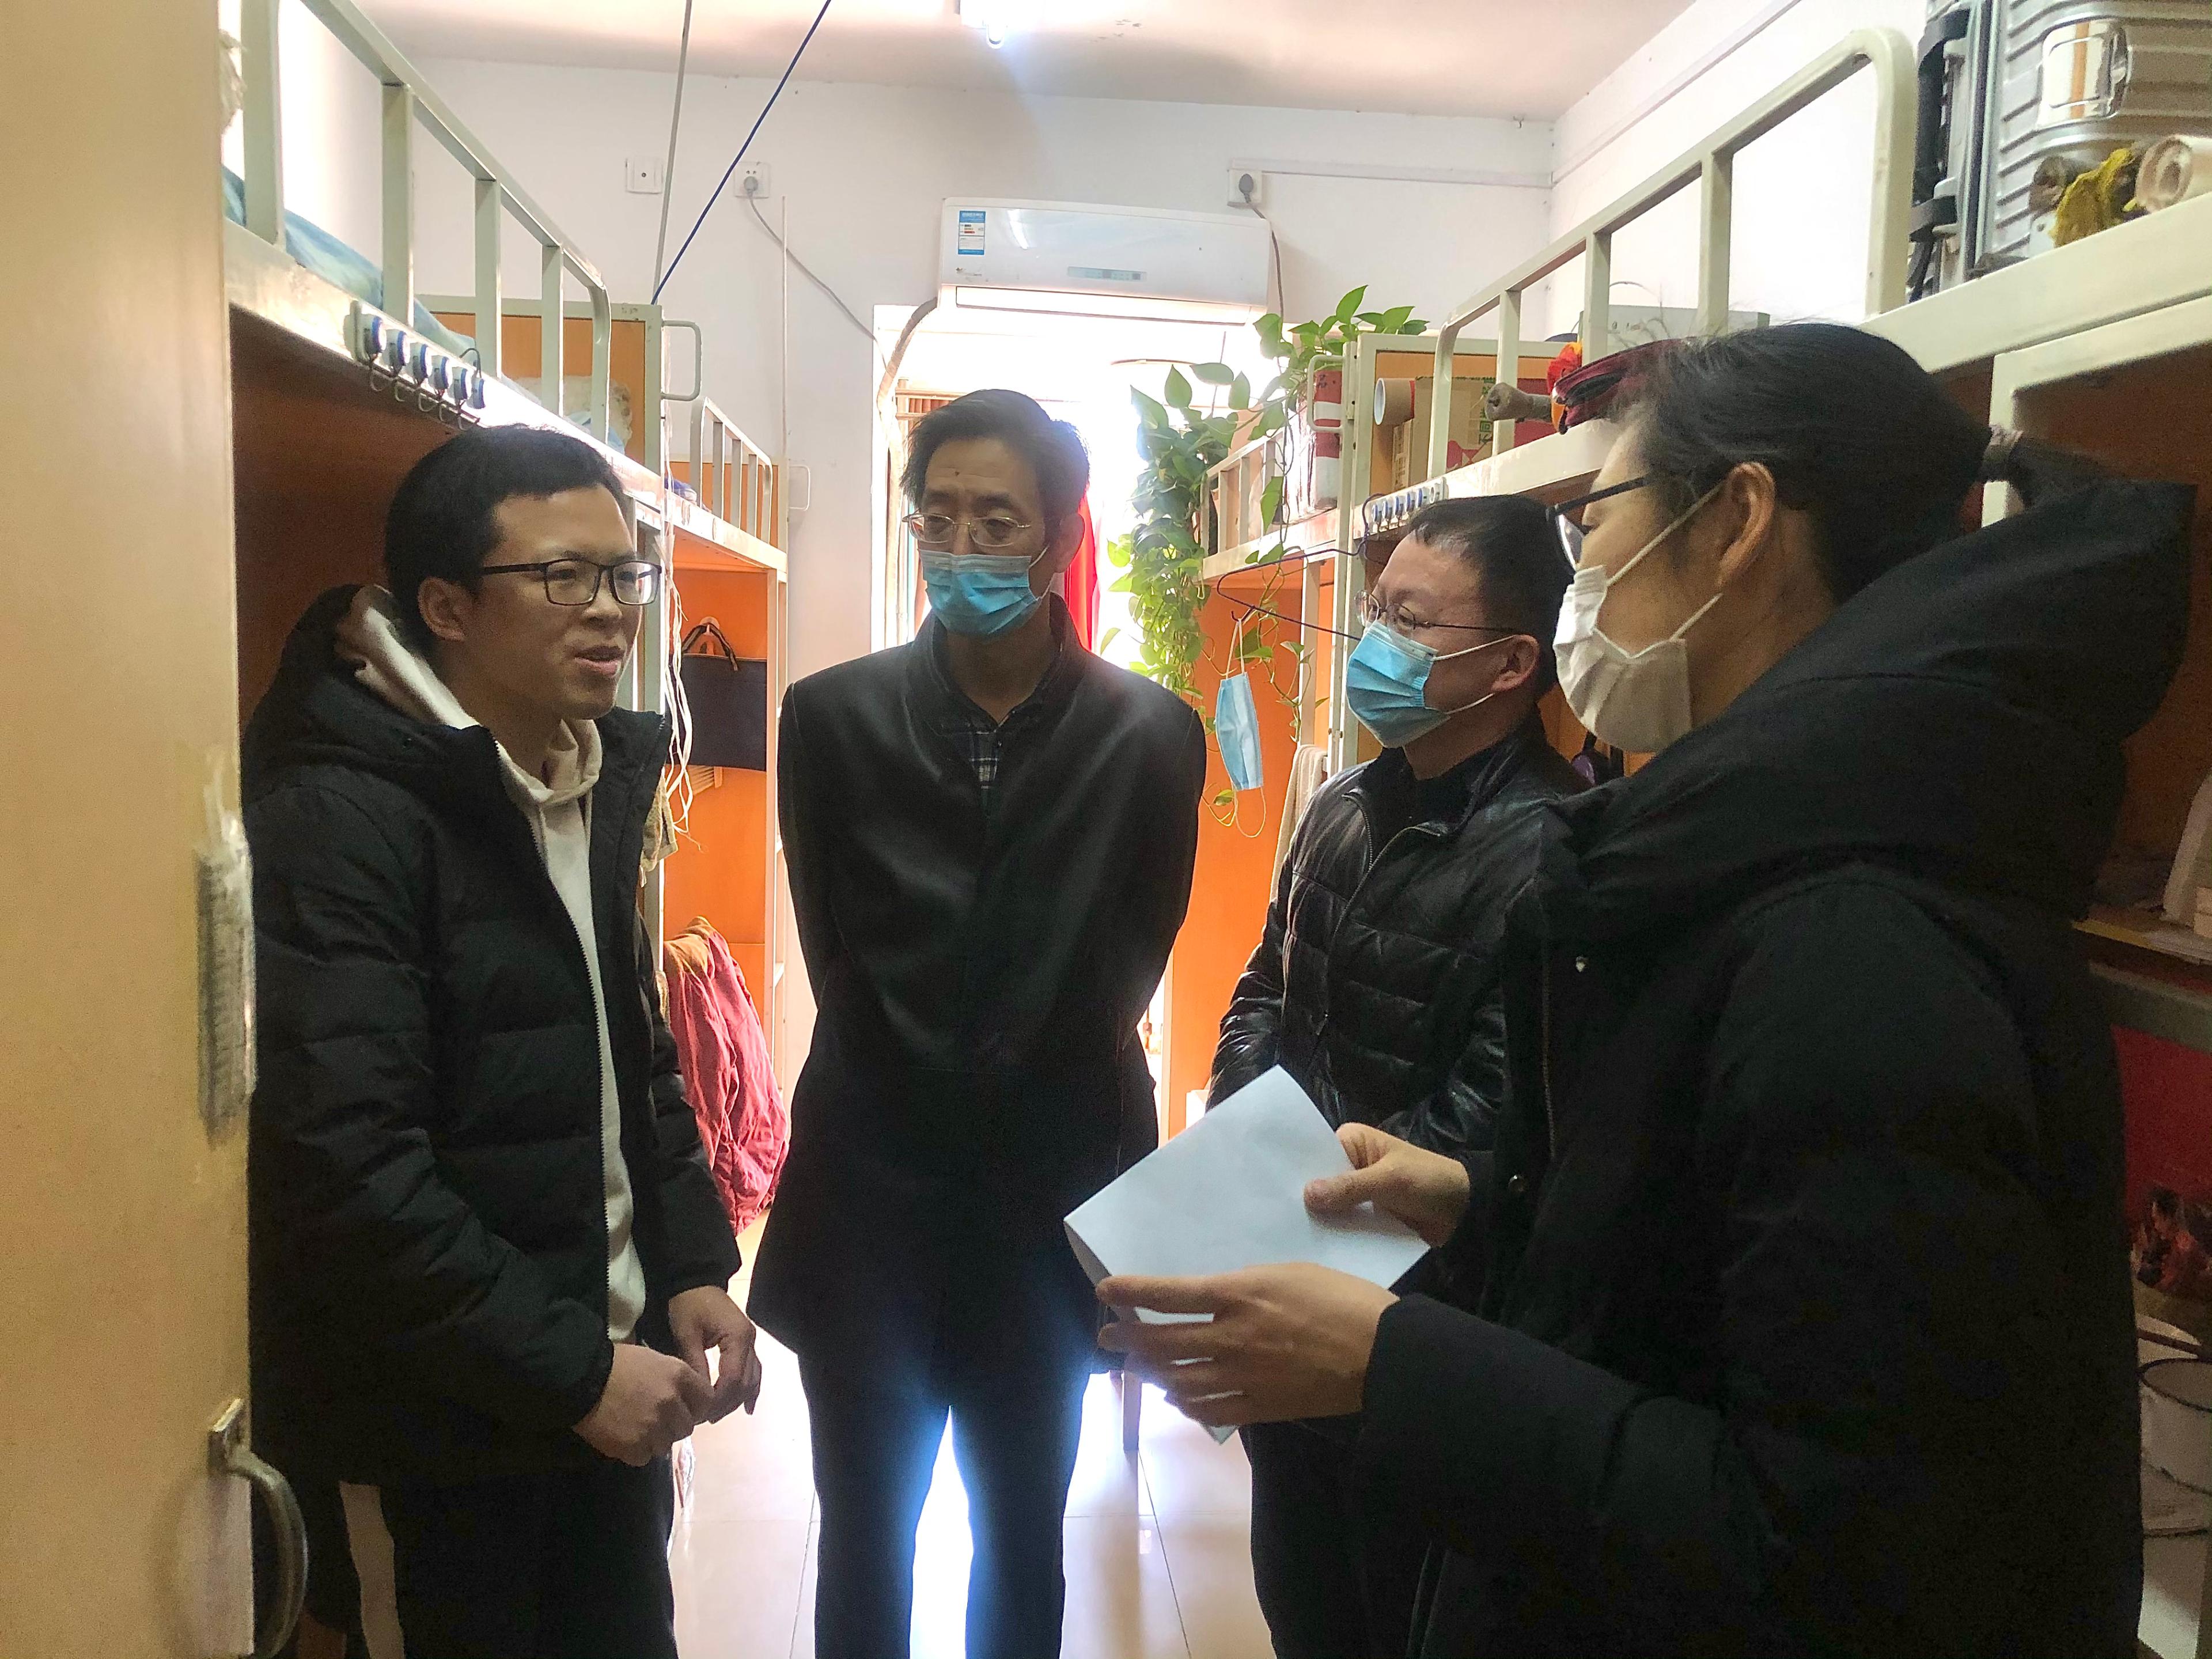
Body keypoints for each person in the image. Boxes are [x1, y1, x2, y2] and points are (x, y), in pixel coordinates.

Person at [1100, 322, 2190, 1656]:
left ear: (1736, 523)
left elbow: (1841, 1555)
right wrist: (1495, 1199)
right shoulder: (1767, 854)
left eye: (1599, 518)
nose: (1584, 574)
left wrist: (1394, 1365)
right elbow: (1707, 1284)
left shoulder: (1857, 943)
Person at [246, 425, 756, 1659]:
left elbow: (633, 1058)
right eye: (560, 576)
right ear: (446, 608)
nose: (611, 608)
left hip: (603, 1390)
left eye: (624, 573)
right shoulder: (341, 816)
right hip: (437, 1432)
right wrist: (573, 1371)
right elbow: (349, 1170)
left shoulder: (581, 775)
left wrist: (692, 1265)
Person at [750, 389, 1207, 1659]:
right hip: (870, 1196)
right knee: (864, 1535)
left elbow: (1134, 958)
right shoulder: (832, 719)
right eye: (937, 518)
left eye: (995, 520)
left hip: (1047, 1200)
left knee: (1022, 1535)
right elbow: (834, 949)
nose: (961, 547)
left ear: (1060, 538)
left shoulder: (1149, 736)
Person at [1210, 496, 1580, 1658]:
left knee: (1395, 1617)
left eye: (1410, 622)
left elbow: (1494, 1116)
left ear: (1511, 663)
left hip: (1418, 1332)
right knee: (1301, 1600)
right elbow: (1266, 984)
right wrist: (1248, 1140)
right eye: (1375, 611)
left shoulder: (1558, 850)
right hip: (1291, 1285)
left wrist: (1315, 1209)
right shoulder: (1343, 804)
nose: (1374, 642)